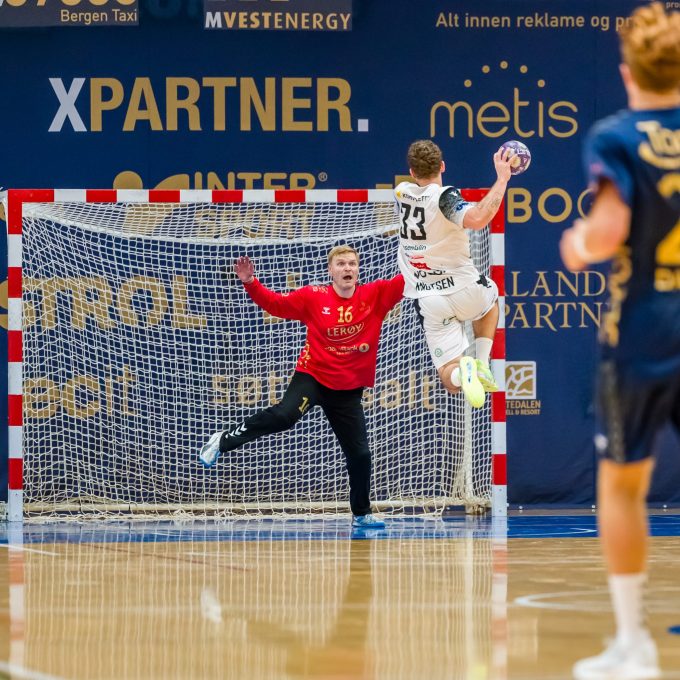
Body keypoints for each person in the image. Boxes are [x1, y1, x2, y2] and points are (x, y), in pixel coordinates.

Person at [559, 4, 680, 679]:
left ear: (628, 73)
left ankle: (634, 646)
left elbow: (606, 232)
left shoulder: (618, 136)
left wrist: (577, 245)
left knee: (625, 486)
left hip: (642, 336)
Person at [199, 246, 405, 529]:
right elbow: (275, 304)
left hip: (347, 391)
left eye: (352, 264)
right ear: (330, 271)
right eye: (341, 264)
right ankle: (222, 440)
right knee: (284, 416)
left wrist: (433, 248)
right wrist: (250, 282)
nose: (347, 268)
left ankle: (361, 513)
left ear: (358, 270)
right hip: (313, 378)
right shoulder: (313, 296)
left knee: (360, 455)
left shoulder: (376, 295)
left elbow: (411, 277)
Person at [394, 140, 513, 408]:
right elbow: (478, 218)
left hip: (430, 300)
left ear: (411, 172)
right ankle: (481, 364)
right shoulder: (445, 197)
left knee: (449, 379)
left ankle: (463, 373)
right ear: (443, 166)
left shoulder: (401, 193)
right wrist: (502, 179)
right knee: (491, 297)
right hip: (465, 289)